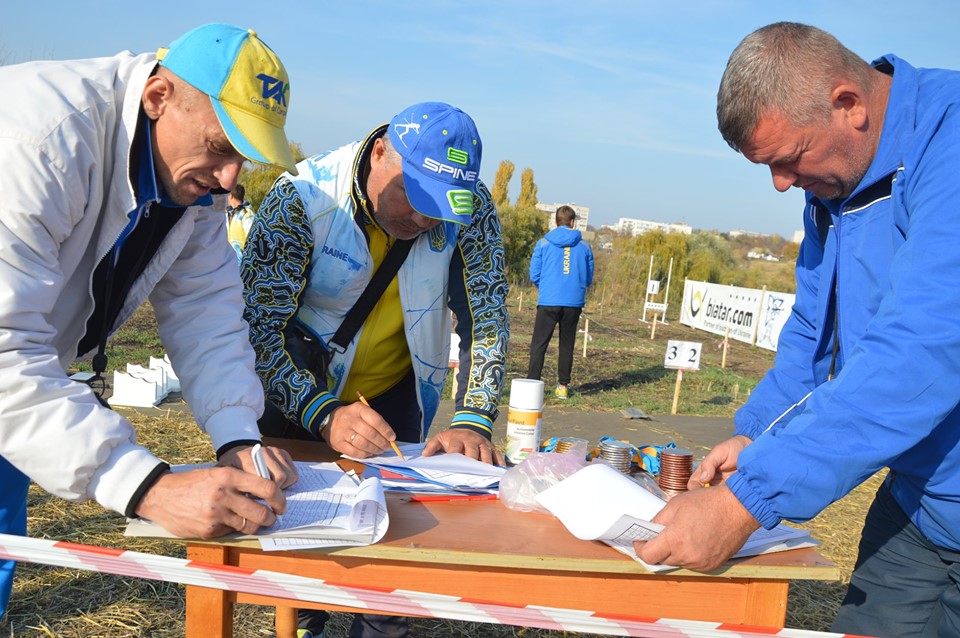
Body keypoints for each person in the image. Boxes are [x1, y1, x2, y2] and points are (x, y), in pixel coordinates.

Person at [634, 22, 960, 637]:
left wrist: (746, 502)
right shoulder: (833, 189)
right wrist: (756, 435)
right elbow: (813, 333)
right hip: (921, 504)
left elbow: (920, 351)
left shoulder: (949, 143)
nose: (781, 183)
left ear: (848, 103)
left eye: (788, 159)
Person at [0, 23, 301, 618]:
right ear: (158, 97)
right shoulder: (38, 140)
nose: (230, 178)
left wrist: (238, 436)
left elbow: (205, 307)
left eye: (242, 156)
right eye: (220, 146)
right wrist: (145, 486)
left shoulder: (192, 183)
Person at [241, 101, 509, 638]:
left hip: (394, 390)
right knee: (302, 534)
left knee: (396, 536)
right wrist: (322, 413)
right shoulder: (301, 198)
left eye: (440, 207)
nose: (424, 221)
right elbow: (257, 330)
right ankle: (305, 623)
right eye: (414, 196)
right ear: (380, 151)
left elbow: (487, 317)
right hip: (299, 390)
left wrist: (474, 419)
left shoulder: (473, 208)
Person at [526, 205, 594, 399]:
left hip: (548, 300)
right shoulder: (585, 246)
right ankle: (563, 386)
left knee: (539, 343)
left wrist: (547, 288)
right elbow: (588, 277)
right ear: (572, 222)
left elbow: (534, 274)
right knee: (566, 343)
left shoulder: (543, 243)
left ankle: (532, 386)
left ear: (556, 222)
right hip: (573, 302)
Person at [226, 183, 256, 262]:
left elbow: (253, 240)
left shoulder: (247, 215)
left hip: (244, 263)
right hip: (230, 262)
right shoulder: (228, 214)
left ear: (230, 195)